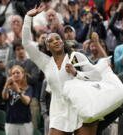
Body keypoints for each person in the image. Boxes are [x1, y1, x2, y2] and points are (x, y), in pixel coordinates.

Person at [22, 4, 99, 135]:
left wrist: (76, 73)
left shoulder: (76, 56)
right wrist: (28, 17)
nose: (56, 41)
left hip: (80, 108)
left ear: (63, 42)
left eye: (58, 38)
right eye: (51, 41)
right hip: (58, 111)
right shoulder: (45, 62)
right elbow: (26, 43)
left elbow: (96, 76)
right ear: (47, 47)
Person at [2, 65, 33, 135]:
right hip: (11, 121)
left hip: (25, 121)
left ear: (23, 74)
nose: (16, 75)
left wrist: (18, 91)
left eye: (18, 73)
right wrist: (6, 84)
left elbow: (27, 101)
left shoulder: (28, 88)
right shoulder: (8, 88)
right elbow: (4, 97)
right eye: (13, 73)